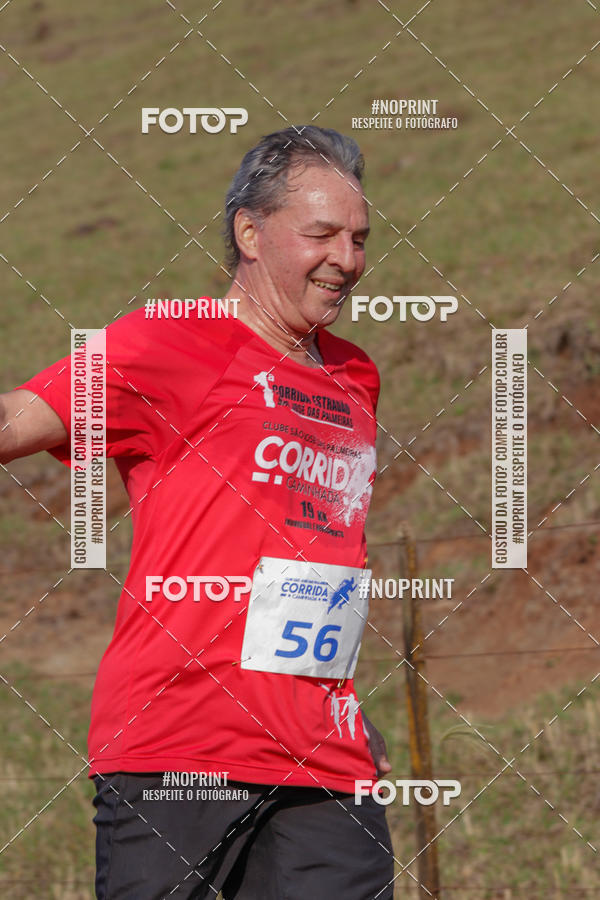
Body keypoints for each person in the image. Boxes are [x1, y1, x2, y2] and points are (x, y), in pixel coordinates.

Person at [0, 126, 395, 899]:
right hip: (179, 748)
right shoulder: (170, 342)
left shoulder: (356, 377)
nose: (345, 259)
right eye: (320, 234)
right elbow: (16, 421)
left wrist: (340, 702)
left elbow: (321, 560)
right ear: (249, 231)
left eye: (358, 238)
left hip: (325, 759)